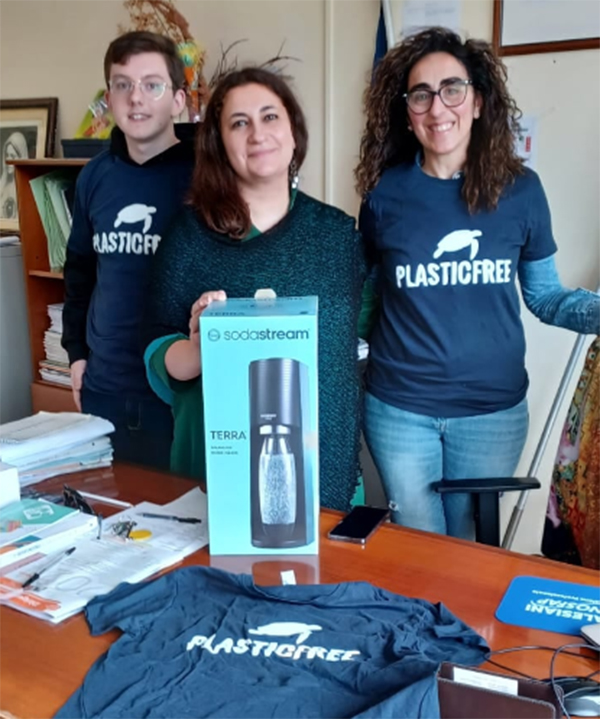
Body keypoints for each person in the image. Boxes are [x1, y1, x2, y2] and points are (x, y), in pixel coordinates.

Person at [354, 27, 600, 539]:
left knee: (467, 543)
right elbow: (368, 296)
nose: (437, 107)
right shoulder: (384, 195)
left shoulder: (521, 191)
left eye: (453, 89)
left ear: (479, 101)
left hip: (492, 411)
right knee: (419, 542)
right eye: (421, 94)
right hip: (400, 407)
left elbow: (545, 297)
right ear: (407, 111)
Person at [144, 67, 366, 511]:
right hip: (218, 478)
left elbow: (360, 341)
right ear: (219, 144)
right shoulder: (190, 237)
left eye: (269, 117)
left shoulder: (337, 236)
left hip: (326, 469)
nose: (257, 133)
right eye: (239, 123)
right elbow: (156, 351)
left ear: (293, 131)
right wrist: (201, 347)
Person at [61, 31, 195, 470]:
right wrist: (76, 354)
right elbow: (80, 272)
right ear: (109, 98)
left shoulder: (204, 177)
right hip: (104, 389)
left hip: (177, 393)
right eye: (122, 85)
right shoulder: (94, 177)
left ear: (178, 99)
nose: (135, 98)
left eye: (152, 85)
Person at [0, 131, 28, 219]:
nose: (8, 160)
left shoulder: (27, 191)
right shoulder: (2, 187)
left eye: (13, 156)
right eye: (7, 155)